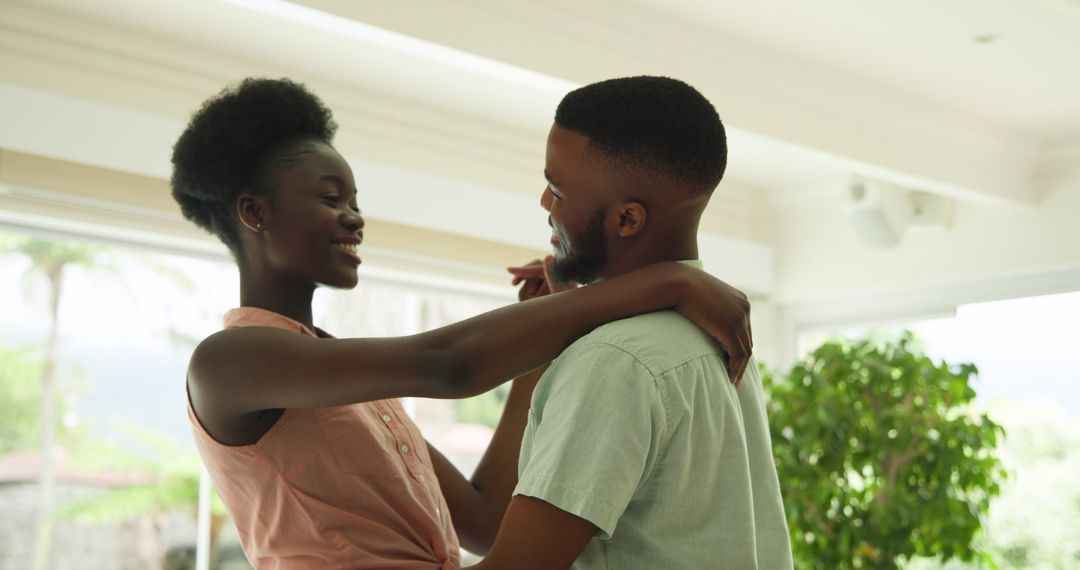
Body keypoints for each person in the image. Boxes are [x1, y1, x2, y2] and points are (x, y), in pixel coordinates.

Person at [170, 77, 755, 569]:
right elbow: (447, 365)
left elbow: (484, 518)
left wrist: (541, 337)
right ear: (255, 212)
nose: (355, 218)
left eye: (355, 200)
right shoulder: (229, 363)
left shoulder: (346, 388)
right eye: (330, 198)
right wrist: (667, 282)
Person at [471, 76, 793, 569]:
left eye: (557, 190)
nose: (544, 203)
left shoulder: (616, 359)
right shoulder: (719, 340)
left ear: (627, 221)